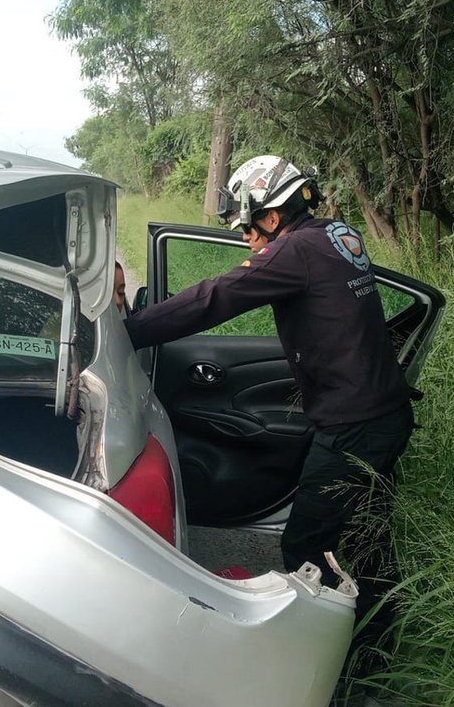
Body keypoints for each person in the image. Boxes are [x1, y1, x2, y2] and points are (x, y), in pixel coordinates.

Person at [123, 155, 414, 658]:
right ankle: (382, 638)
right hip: (385, 415)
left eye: (248, 226)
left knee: (306, 546)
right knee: (368, 536)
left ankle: (331, 655)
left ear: (273, 217)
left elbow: (215, 297)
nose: (245, 238)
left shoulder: (294, 251)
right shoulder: (338, 236)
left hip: (351, 426)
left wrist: (131, 328)